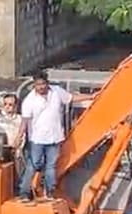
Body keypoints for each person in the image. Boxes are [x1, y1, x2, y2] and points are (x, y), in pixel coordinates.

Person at [14, 69, 95, 202]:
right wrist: (19, 136)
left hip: (55, 137)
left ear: (47, 83)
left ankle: (50, 192)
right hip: (37, 139)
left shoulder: (57, 92)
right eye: (37, 84)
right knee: (33, 165)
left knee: (51, 166)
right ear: (34, 85)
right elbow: (25, 121)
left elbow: (71, 98)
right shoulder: (29, 100)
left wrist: (91, 97)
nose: (40, 87)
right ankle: (24, 192)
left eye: (43, 84)